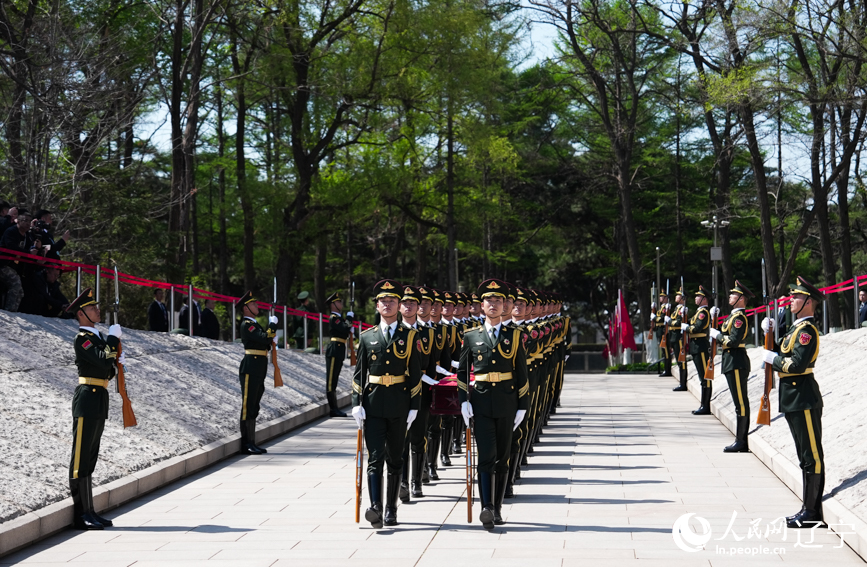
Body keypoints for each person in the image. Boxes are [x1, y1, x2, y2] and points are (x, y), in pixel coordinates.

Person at [459, 279, 530, 530]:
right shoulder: (471, 336)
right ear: (481, 305)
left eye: (498, 301)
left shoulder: (515, 335)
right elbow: (462, 371)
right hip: (480, 402)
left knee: (502, 458)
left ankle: (497, 508)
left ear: (504, 306)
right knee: (486, 456)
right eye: (489, 300)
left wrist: (523, 406)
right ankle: (486, 507)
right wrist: (463, 401)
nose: (493, 304)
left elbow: (522, 373)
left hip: (507, 403)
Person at [351, 279, 422, 528]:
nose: (387, 304)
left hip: (399, 405)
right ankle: (375, 507)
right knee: (374, 458)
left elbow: (415, 374)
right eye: (383, 300)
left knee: (395, 458)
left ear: (399, 305)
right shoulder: (367, 337)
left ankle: (391, 509)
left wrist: (415, 405)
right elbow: (359, 373)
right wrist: (355, 403)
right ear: (377, 305)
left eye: (392, 300)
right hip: (373, 405)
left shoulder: (410, 336)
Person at [761, 276, 825, 529]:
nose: (792, 300)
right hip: (792, 397)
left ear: (808, 302)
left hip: (803, 396)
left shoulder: (807, 331)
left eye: (797, 297)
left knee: (812, 455)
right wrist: (772, 334)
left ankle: (811, 511)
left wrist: (773, 359)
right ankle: (807, 507)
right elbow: (783, 351)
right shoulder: (795, 329)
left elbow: (796, 364)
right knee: (803, 454)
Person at [66, 288, 123, 530]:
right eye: (92, 308)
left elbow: (107, 367)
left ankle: (90, 510)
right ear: (81, 314)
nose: (97, 310)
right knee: (80, 457)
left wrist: (115, 357)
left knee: (90, 456)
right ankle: (81, 514)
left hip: (99, 397)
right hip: (87, 397)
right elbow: (101, 359)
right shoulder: (83, 339)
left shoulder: (97, 338)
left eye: (96, 307)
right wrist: (112, 340)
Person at [708, 280, 753, 452]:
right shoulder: (733, 316)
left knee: (740, 403)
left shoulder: (740, 318)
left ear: (741, 299)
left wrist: (718, 336)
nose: (730, 296)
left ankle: (741, 441)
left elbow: (733, 341)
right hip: (731, 361)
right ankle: (740, 439)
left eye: (733, 294)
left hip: (736, 361)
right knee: (738, 402)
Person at [236, 291, 278, 455]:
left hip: (259, 367)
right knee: (248, 405)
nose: (256, 306)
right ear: (246, 308)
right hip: (250, 367)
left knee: (254, 404)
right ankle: (246, 443)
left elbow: (265, 342)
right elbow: (264, 337)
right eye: (253, 304)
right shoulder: (247, 324)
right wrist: (272, 325)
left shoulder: (254, 323)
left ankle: (252, 441)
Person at [1, 209, 44, 312]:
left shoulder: (28, 236)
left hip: (16, 267)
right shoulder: (11, 231)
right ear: (18, 221)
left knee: (20, 291)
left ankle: (13, 311)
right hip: (3, 264)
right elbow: (11, 247)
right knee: (15, 284)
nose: (28, 223)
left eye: (29, 221)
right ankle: (9, 311)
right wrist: (28, 253)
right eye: (25, 220)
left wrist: (38, 249)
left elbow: (30, 250)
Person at [682, 285, 712, 415]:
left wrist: (686, 327)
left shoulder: (704, 313)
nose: (696, 298)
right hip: (696, 346)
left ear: (704, 299)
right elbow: (692, 323)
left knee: (705, 378)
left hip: (701, 347)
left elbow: (697, 328)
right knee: (701, 377)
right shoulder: (698, 312)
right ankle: (703, 404)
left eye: (698, 296)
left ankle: (705, 406)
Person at [324, 291, 351, 417]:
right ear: (333, 305)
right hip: (334, 350)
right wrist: (349, 319)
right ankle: (333, 409)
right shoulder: (333, 318)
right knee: (331, 381)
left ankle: (335, 408)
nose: (341, 303)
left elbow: (345, 332)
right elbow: (345, 328)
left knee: (334, 380)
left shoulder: (339, 318)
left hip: (339, 349)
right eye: (339, 302)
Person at [668, 288, 688, 391]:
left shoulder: (682, 309)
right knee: (678, 360)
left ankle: (683, 384)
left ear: (682, 298)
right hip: (674, 336)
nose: (676, 297)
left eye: (678, 295)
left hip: (679, 337)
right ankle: (682, 382)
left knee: (681, 360)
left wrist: (670, 322)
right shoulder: (677, 309)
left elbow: (679, 322)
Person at [653, 290, 672, 377]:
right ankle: (666, 369)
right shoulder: (662, 308)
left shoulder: (665, 308)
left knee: (666, 351)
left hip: (664, 331)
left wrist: (655, 317)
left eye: (662, 297)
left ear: (666, 298)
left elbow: (661, 319)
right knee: (664, 352)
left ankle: (667, 370)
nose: (660, 298)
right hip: (659, 331)